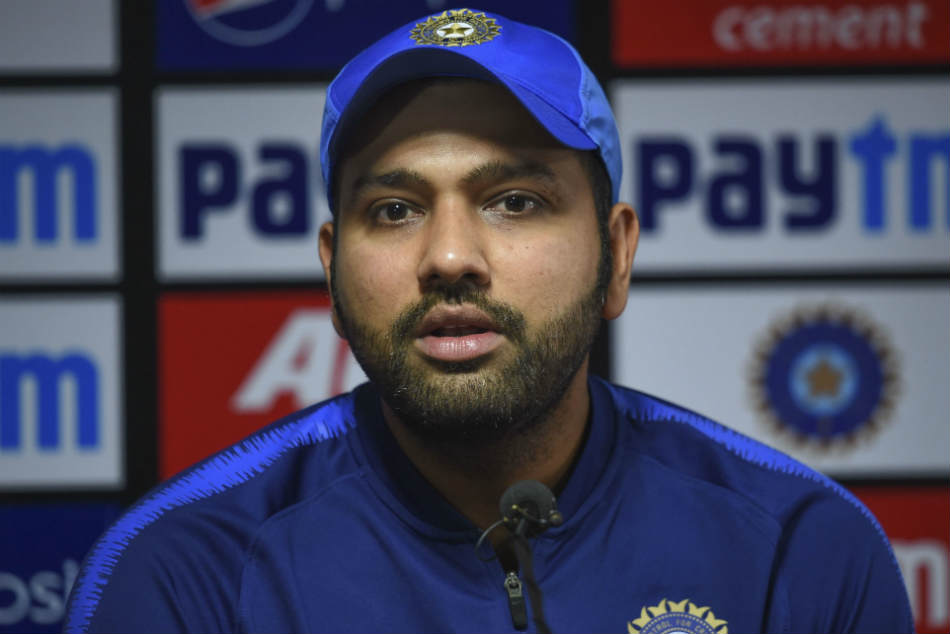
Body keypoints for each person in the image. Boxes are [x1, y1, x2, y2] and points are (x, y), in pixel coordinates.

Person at [64, 8, 912, 634]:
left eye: (515, 200)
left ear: (616, 254)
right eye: (395, 210)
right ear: (331, 270)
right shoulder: (186, 569)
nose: (449, 256)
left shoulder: (800, 549)